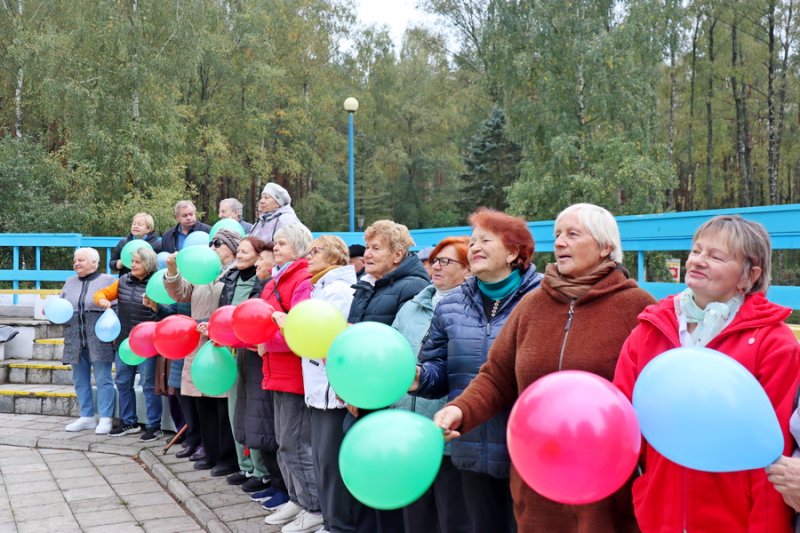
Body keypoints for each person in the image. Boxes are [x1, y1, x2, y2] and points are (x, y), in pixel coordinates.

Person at [431, 204, 655, 532]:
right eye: (557, 235)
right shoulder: (532, 305)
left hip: (606, 493)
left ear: (606, 247)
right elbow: (496, 377)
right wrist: (460, 411)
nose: (560, 242)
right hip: (537, 489)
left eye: (573, 234)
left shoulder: (637, 308)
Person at [614, 214, 800, 532]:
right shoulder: (650, 330)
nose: (698, 261)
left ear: (749, 275)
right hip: (660, 515)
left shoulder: (774, 343)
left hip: (736, 520)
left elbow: (774, 455)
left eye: (715, 256)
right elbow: (623, 425)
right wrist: (643, 495)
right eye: (697, 251)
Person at [412, 208, 542, 533]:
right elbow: (438, 369)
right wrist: (419, 378)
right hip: (469, 442)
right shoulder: (450, 304)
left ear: (513, 252)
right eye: (472, 242)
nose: (475, 248)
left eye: (486, 240)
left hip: (527, 448)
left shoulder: (543, 299)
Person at [347, 219, 430, 533]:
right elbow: (354, 338)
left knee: (385, 484)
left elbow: (401, 350)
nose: (367, 253)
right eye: (367, 247)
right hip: (364, 395)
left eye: (375, 247)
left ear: (397, 255)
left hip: (387, 401)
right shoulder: (371, 283)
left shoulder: (411, 288)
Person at [393, 236, 471, 533]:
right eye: (434, 260)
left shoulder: (470, 310)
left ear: (468, 270)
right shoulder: (412, 307)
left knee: (451, 515)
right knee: (415, 514)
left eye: (446, 261)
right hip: (407, 427)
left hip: (445, 431)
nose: (435, 266)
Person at [256, 224, 323, 532]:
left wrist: (264, 341)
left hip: (294, 373)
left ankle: (314, 506)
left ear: (298, 247)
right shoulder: (275, 279)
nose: (276, 247)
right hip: (275, 371)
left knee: (295, 445)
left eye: (282, 242)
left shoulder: (302, 279)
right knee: (284, 444)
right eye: (276, 242)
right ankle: (297, 498)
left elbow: (300, 330)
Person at [163, 229, 241, 477]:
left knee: (220, 402)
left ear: (231, 247)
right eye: (211, 243)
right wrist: (173, 270)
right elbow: (180, 292)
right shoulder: (204, 273)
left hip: (220, 341)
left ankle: (227, 457)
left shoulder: (235, 273)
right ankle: (209, 451)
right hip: (197, 340)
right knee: (201, 402)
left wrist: (219, 329)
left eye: (217, 243)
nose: (212, 247)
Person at [304, 235, 357, 533]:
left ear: (335, 256)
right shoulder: (319, 287)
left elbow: (333, 341)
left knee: (331, 463)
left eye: (317, 251)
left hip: (330, 391)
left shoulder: (338, 290)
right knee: (321, 461)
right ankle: (330, 520)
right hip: (315, 389)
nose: (309, 256)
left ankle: (338, 524)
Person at [95, 248, 175, 440]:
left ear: (148, 264)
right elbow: (100, 294)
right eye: (132, 261)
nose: (133, 265)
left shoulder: (159, 283)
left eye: (137, 262)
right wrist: (103, 301)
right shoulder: (122, 281)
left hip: (148, 343)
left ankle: (154, 425)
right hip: (124, 342)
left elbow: (171, 313)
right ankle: (128, 422)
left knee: (148, 385)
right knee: (123, 382)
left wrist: (155, 306)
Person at [218, 236, 271, 494]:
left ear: (259, 256)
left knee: (254, 411)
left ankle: (261, 471)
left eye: (245, 251)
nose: (238, 255)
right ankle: (244, 466)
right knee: (235, 408)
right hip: (231, 350)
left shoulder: (261, 282)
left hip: (253, 351)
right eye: (238, 250)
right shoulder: (230, 278)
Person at [59, 248, 117, 434]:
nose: (76, 263)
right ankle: (86, 416)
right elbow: (60, 308)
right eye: (75, 260)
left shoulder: (108, 281)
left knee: (103, 378)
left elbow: (117, 308)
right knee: (79, 379)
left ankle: (106, 417)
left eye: (81, 260)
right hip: (74, 336)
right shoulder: (69, 282)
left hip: (99, 337)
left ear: (94, 262)